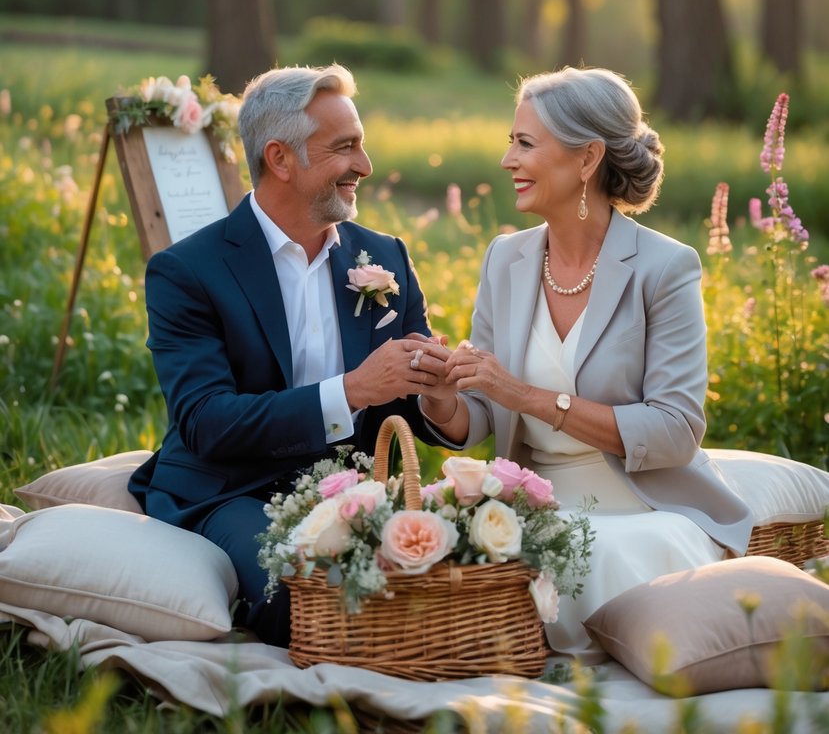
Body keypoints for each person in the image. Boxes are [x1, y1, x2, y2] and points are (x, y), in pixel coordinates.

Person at [415, 66, 753, 659]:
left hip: (641, 502)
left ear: (587, 158)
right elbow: (484, 418)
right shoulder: (505, 259)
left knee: (590, 555)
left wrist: (526, 396)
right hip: (530, 498)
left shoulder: (665, 268)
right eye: (510, 141)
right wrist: (443, 399)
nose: (506, 160)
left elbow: (675, 431)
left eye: (524, 143)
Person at [128, 63, 449, 646]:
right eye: (345, 148)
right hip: (233, 487)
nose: (365, 166)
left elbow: (413, 406)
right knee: (310, 597)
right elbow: (205, 422)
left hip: (354, 484)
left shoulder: (385, 256)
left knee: (447, 580)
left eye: (362, 145)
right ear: (280, 159)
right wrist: (351, 391)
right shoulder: (187, 272)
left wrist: (440, 395)